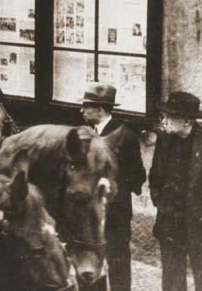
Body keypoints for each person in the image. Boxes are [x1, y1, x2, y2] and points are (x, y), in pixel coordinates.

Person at [149, 91, 202, 291]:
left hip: (201, 225)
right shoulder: (164, 139)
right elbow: (156, 175)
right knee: (172, 279)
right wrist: (160, 202)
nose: (164, 121)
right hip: (170, 221)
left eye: (170, 116)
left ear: (187, 121)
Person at [80, 82, 146, 291]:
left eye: (86, 106)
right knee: (92, 261)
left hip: (115, 213)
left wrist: (114, 190)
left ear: (100, 110)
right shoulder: (86, 133)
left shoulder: (125, 136)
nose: (82, 110)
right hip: (91, 212)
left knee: (118, 263)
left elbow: (138, 176)